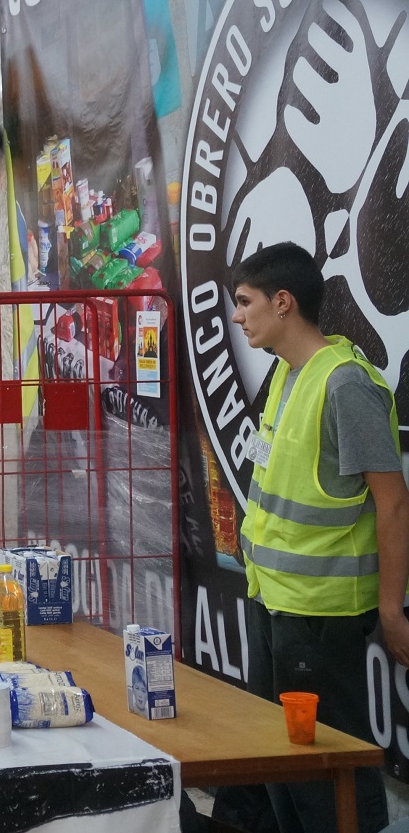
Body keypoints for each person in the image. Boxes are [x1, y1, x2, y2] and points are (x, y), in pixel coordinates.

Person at [231, 242, 409, 833]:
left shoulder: (346, 386)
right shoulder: (287, 375)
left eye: (245, 302)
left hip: (319, 617)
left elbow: (393, 503)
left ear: (284, 303)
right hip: (275, 603)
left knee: (325, 769)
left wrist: (390, 610)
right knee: (282, 761)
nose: (238, 316)